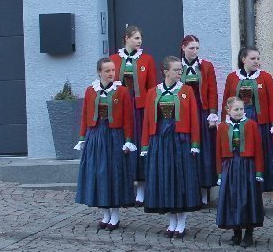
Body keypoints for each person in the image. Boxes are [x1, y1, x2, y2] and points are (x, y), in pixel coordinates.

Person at [141, 56, 202, 238]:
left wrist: (195, 143)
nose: (179, 73)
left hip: (179, 140)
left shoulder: (187, 91)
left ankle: (181, 222)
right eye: (176, 70)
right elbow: (147, 120)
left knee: (180, 179)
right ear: (166, 71)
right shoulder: (153, 92)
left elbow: (194, 118)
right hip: (160, 140)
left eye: (180, 70)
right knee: (166, 178)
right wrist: (145, 144)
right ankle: (171, 221)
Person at [74, 57, 136, 230]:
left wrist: (128, 140)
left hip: (114, 136)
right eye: (107, 71)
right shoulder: (90, 91)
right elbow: (85, 116)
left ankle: (115, 216)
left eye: (113, 70)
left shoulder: (122, 91)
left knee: (113, 174)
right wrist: (82, 137)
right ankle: (105, 214)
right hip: (96, 136)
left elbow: (128, 119)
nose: (111, 73)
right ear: (99, 72)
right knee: (99, 174)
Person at [110, 24, 156, 206]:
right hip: (120, 110)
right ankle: (124, 188)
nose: (140, 41)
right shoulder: (114, 59)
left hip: (139, 110)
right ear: (126, 38)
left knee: (139, 146)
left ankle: (141, 190)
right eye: (136, 38)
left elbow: (152, 88)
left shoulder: (147, 60)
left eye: (140, 38)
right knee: (121, 146)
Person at [223, 48, 273, 192]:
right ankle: (243, 186)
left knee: (260, 152)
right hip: (238, 120)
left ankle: (260, 186)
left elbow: (272, 102)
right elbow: (226, 100)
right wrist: (225, 122)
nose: (257, 62)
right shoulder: (232, 77)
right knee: (242, 152)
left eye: (258, 59)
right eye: (253, 59)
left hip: (259, 122)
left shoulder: (265, 77)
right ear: (243, 60)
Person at [216, 97, 265, 248]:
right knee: (232, 198)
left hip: (247, 166)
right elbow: (218, 151)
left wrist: (259, 171)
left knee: (247, 198)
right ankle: (236, 232)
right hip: (230, 166)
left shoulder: (251, 125)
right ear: (228, 110)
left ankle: (249, 233)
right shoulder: (222, 127)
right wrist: (219, 173)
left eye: (241, 109)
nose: (239, 112)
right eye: (236, 109)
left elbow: (258, 149)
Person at [180, 35, 220, 206]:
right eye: (191, 48)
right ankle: (188, 190)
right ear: (183, 48)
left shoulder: (206, 66)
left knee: (204, 152)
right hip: (184, 113)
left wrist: (212, 114)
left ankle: (204, 193)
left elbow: (212, 91)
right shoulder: (177, 66)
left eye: (197, 48)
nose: (195, 51)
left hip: (202, 112)